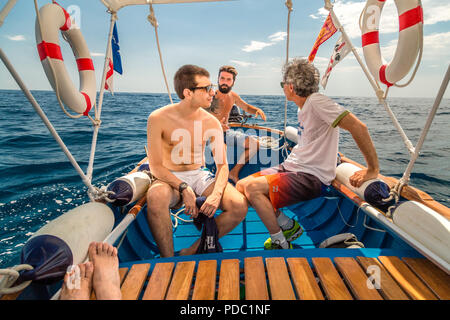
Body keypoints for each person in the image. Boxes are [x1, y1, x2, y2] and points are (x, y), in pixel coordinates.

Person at [236, 58, 379, 250]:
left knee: (253, 189)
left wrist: (372, 169)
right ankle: (287, 226)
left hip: (311, 176)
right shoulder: (303, 107)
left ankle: (281, 242)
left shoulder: (317, 102)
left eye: (283, 84)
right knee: (240, 186)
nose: (283, 88)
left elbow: (358, 127)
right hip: (292, 167)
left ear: (291, 87)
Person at [145, 64, 248, 257]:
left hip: (199, 174)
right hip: (169, 177)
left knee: (239, 206)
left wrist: (216, 194)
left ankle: (190, 252)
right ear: (188, 93)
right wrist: (184, 188)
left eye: (212, 87)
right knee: (155, 197)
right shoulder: (158, 118)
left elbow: (222, 165)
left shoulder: (211, 122)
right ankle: (168, 261)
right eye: (207, 88)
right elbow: (156, 166)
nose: (213, 92)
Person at [205, 65, 267, 184]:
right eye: (222, 78)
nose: (224, 82)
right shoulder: (210, 96)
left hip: (226, 132)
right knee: (222, 148)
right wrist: (216, 125)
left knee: (255, 144)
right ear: (218, 79)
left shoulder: (233, 96)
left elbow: (246, 107)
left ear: (233, 82)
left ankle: (234, 172)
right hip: (209, 133)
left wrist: (256, 110)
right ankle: (217, 181)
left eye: (228, 80)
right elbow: (198, 116)